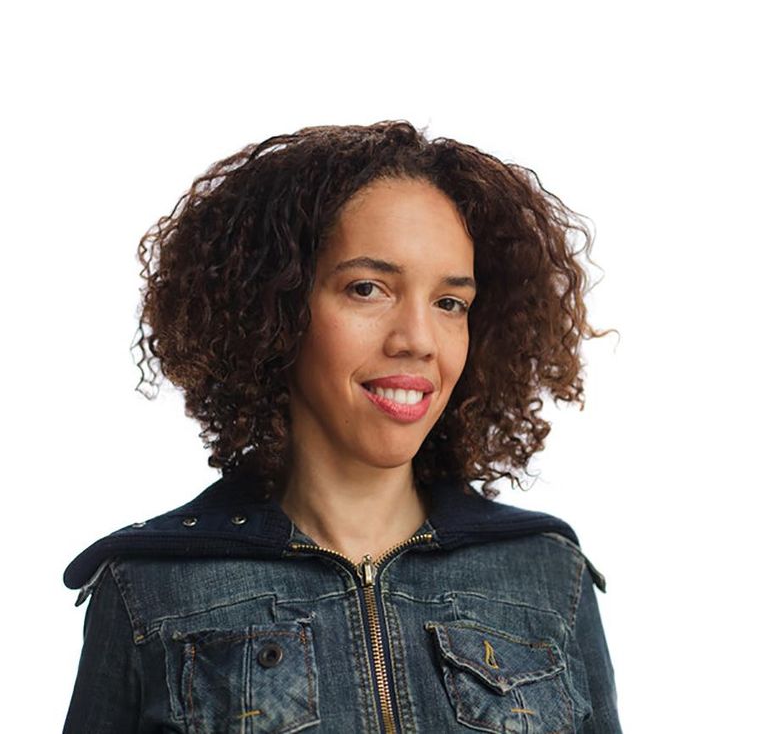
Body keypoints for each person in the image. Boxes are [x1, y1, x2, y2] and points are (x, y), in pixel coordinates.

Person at [62, 120, 622, 733]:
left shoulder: (547, 576)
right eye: (367, 288)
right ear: (276, 309)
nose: (418, 340)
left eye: (449, 303)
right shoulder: (150, 588)